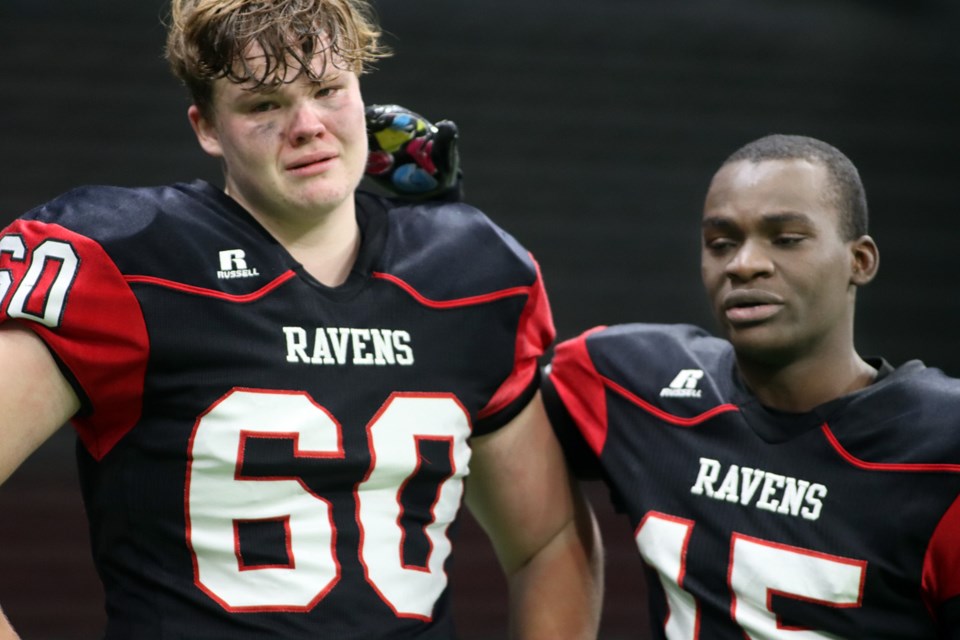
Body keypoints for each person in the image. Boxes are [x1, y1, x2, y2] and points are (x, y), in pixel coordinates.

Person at [0, 0, 601, 637]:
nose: (307, 125)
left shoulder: (469, 274)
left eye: (327, 90)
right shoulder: (129, 263)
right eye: (264, 104)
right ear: (207, 128)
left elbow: (549, 540)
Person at [541, 134, 960, 638]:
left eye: (785, 239)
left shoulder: (942, 448)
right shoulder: (631, 383)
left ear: (860, 261)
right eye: (721, 243)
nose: (743, 264)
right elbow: (470, 408)